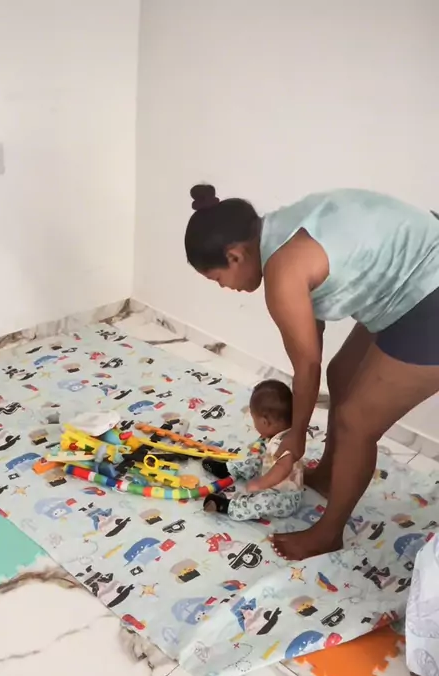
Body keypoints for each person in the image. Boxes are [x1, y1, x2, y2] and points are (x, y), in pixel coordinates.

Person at [185, 185, 439, 559]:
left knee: (356, 421)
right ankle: (331, 474)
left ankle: (328, 532)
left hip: (429, 287)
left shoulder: (282, 271)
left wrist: (297, 436)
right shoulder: (281, 229)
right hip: (415, 273)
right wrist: (297, 435)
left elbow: (306, 366)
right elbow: (312, 352)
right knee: (343, 374)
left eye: (217, 278)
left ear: (234, 256)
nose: (224, 287)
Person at [203, 379, 303, 521]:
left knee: (264, 501)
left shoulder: (285, 444)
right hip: (268, 472)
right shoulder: (278, 434)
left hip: (284, 496)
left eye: (254, 419)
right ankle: (229, 469)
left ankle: (229, 507)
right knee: (254, 458)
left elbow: (283, 468)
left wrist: (261, 483)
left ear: (265, 422)